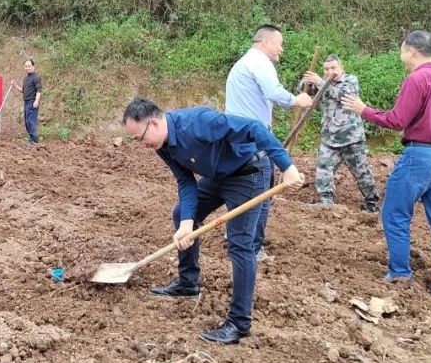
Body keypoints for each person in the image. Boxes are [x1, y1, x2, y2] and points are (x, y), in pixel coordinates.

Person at [122, 97, 305, 344]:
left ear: (153, 124)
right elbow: (185, 181)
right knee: (181, 214)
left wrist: (287, 167)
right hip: (219, 176)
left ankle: (239, 323)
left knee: (240, 244)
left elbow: (254, 128)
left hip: (248, 172)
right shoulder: (162, 145)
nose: (141, 145)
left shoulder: (198, 122)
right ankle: (188, 283)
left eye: (139, 138)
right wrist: (186, 224)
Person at [340, 31, 431, 301]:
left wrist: (364, 110)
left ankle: (400, 273)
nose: (400, 55)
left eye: (401, 50)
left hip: (420, 155)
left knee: (394, 213)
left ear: (411, 50)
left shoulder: (416, 80)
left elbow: (397, 120)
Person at [224, 24, 313, 263]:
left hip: (239, 139)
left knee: (246, 191)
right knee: (260, 195)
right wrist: (297, 100)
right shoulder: (259, 62)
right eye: (279, 44)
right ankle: (252, 248)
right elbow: (274, 91)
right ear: (265, 42)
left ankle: (239, 237)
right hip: (253, 141)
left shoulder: (244, 63)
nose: (281, 49)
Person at [301, 55, 379, 211]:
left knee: (362, 173)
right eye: (326, 69)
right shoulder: (322, 82)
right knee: (323, 168)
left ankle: (372, 204)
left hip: (351, 138)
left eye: (333, 68)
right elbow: (305, 92)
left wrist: (320, 82)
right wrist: (306, 83)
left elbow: (343, 96)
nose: (330, 71)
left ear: (341, 68)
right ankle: (326, 202)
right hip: (329, 138)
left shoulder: (350, 81)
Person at [11, 58, 42, 144]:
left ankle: (34, 139)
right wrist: (15, 86)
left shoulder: (36, 77)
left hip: (32, 102)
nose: (27, 68)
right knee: (27, 122)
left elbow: (39, 90)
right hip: (26, 102)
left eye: (29, 66)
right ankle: (31, 138)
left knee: (31, 121)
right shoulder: (26, 78)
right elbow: (24, 91)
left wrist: (36, 101)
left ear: (33, 66)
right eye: (26, 66)